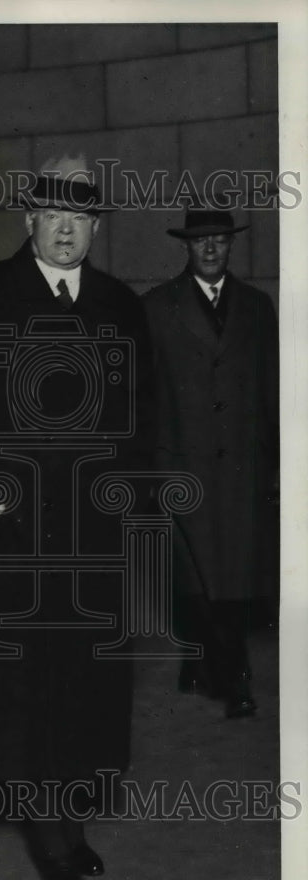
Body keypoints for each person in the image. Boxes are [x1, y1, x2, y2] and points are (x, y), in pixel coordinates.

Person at [0, 154, 155, 880]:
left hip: (91, 532)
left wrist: (133, 503)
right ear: (28, 222)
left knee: (82, 682)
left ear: (96, 225)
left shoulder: (120, 304)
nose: (65, 229)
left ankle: (71, 814)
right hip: (13, 531)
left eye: (79, 217)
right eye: (52, 215)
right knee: (27, 686)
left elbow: (145, 420)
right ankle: (49, 830)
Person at [143, 210, 279, 719]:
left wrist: (279, 461)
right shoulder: (156, 307)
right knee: (198, 579)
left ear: (231, 245)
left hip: (243, 467)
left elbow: (272, 389)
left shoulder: (258, 307)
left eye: (220, 240)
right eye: (202, 241)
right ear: (186, 247)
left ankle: (206, 664)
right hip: (183, 465)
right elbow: (146, 396)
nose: (211, 249)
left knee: (234, 579)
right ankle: (234, 677)